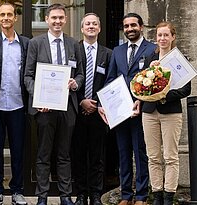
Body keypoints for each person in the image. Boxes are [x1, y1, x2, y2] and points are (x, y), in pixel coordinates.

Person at [24, 3, 83, 205]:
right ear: (47, 20)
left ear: (65, 20)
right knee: (43, 153)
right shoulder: (36, 43)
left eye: (61, 18)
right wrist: (39, 98)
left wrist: (76, 83)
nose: (57, 21)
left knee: (64, 153)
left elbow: (81, 74)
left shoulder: (74, 44)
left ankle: (65, 196)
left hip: (68, 106)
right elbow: (28, 76)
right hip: (44, 109)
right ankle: (42, 196)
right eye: (54, 18)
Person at [99, 13, 156, 205]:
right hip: (120, 111)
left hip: (142, 110)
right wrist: (104, 104)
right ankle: (126, 195)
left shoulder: (152, 49)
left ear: (141, 27)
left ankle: (141, 195)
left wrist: (141, 99)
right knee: (123, 153)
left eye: (133, 25)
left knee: (140, 153)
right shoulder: (117, 51)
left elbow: (154, 80)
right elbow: (110, 79)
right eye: (126, 26)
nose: (130, 29)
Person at [0, 3, 30, 205]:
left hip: (19, 105)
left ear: (15, 18)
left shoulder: (26, 44)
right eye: (2, 14)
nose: (6, 18)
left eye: (9, 14)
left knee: (18, 149)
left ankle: (17, 190)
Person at [141, 21, 191, 205]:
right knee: (153, 156)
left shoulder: (179, 60)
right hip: (149, 113)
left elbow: (186, 90)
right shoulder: (149, 58)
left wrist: (164, 96)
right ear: (156, 38)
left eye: (166, 35)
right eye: (159, 35)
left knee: (170, 156)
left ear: (173, 37)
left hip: (170, 112)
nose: (162, 38)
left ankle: (169, 195)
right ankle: (157, 195)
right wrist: (151, 71)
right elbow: (143, 85)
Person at [71, 13, 112, 205]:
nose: (91, 26)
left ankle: (96, 194)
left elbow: (110, 81)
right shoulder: (74, 50)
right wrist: (81, 101)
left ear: (99, 28)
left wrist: (96, 103)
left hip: (98, 112)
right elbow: (70, 79)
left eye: (95, 24)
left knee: (97, 156)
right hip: (76, 111)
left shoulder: (108, 54)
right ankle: (80, 193)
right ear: (82, 28)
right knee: (78, 154)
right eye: (88, 24)